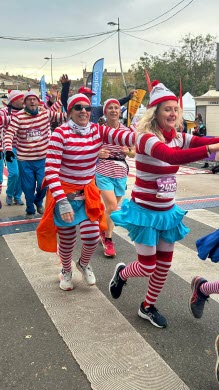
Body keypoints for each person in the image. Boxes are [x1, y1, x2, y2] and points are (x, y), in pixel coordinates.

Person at [108, 79, 219, 328]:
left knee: (164, 265)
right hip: (145, 212)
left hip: (166, 212)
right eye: (167, 109)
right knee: (147, 265)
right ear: (155, 112)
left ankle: (147, 306)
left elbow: (202, 141)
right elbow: (171, 156)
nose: (173, 113)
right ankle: (122, 274)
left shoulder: (178, 136)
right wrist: (212, 148)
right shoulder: (146, 138)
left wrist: (212, 142)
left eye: (175, 109)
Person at [36, 93, 136, 291]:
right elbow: (51, 170)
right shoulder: (60, 133)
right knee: (67, 239)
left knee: (91, 236)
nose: (83, 111)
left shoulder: (97, 130)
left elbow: (124, 136)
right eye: (78, 107)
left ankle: (83, 263)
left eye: (87, 108)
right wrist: (62, 201)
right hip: (64, 194)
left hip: (87, 192)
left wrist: (153, 135)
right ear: (70, 112)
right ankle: (66, 270)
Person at [4, 90, 65, 219]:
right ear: (25, 103)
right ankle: (30, 208)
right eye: (29, 99)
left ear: (38, 101)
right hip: (25, 160)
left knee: (44, 184)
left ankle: (38, 201)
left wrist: (66, 91)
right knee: (28, 187)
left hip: (43, 158)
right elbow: (9, 134)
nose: (32, 101)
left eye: (34, 99)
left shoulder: (45, 114)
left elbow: (64, 116)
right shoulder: (18, 117)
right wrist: (8, 149)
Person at [96, 98, 135, 257]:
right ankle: (108, 240)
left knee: (110, 210)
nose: (113, 110)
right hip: (104, 169)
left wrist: (128, 152)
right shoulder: (99, 131)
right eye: (110, 108)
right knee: (112, 206)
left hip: (120, 172)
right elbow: (89, 149)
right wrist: (97, 153)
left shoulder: (127, 131)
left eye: (116, 108)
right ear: (105, 112)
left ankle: (102, 229)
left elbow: (133, 152)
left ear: (120, 112)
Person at [60, 74, 136, 123]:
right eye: (86, 95)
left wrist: (128, 97)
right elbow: (64, 100)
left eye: (90, 96)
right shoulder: (74, 109)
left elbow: (112, 104)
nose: (88, 98)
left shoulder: (96, 110)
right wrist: (66, 86)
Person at [0, 90, 25, 206]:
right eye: (21, 99)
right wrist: (17, 119)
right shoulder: (4, 112)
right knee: (14, 173)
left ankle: (17, 196)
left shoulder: (25, 112)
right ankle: (9, 194)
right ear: (14, 100)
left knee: (21, 174)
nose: (23, 101)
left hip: (23, 148)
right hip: (10, 148)